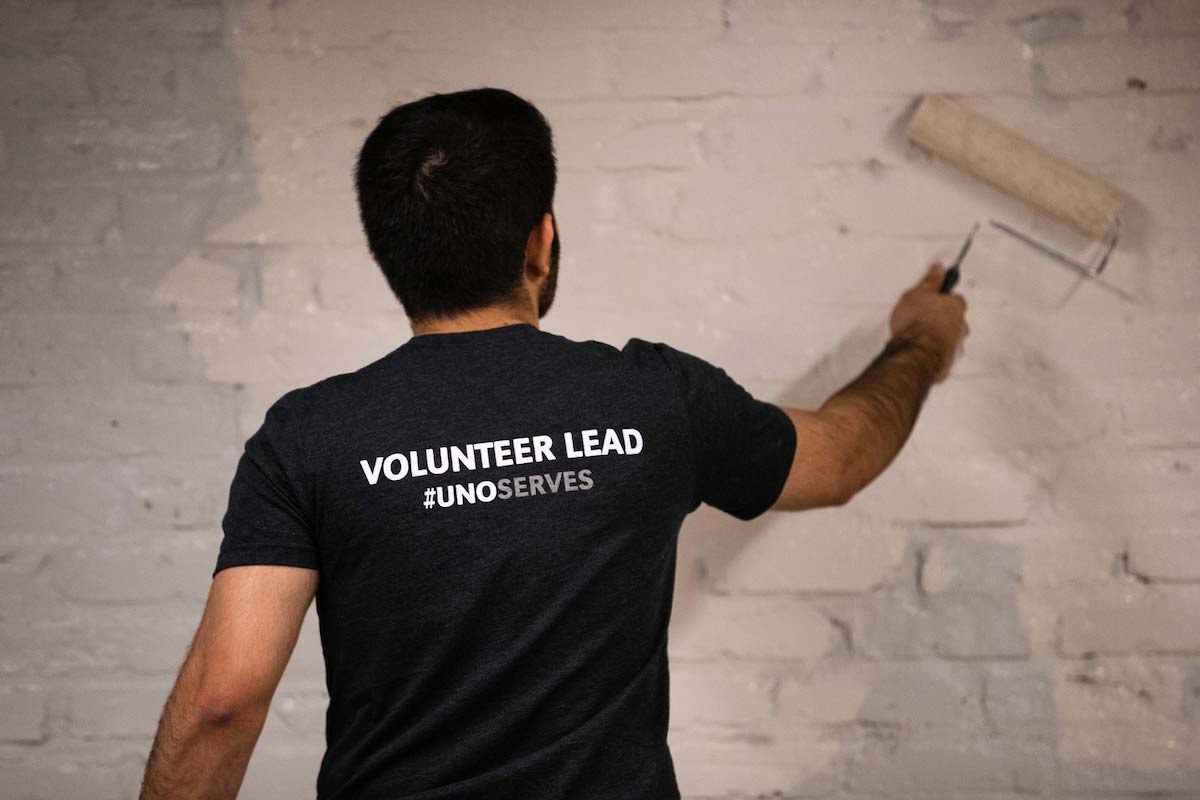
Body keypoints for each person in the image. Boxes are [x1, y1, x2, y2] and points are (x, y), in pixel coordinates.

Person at [139, 87, 968, 800]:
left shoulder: (308, 436)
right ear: (540, 240)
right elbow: (843, 456)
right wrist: (921, 341)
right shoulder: (657, 399)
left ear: (392, 255)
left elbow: (223, 702)